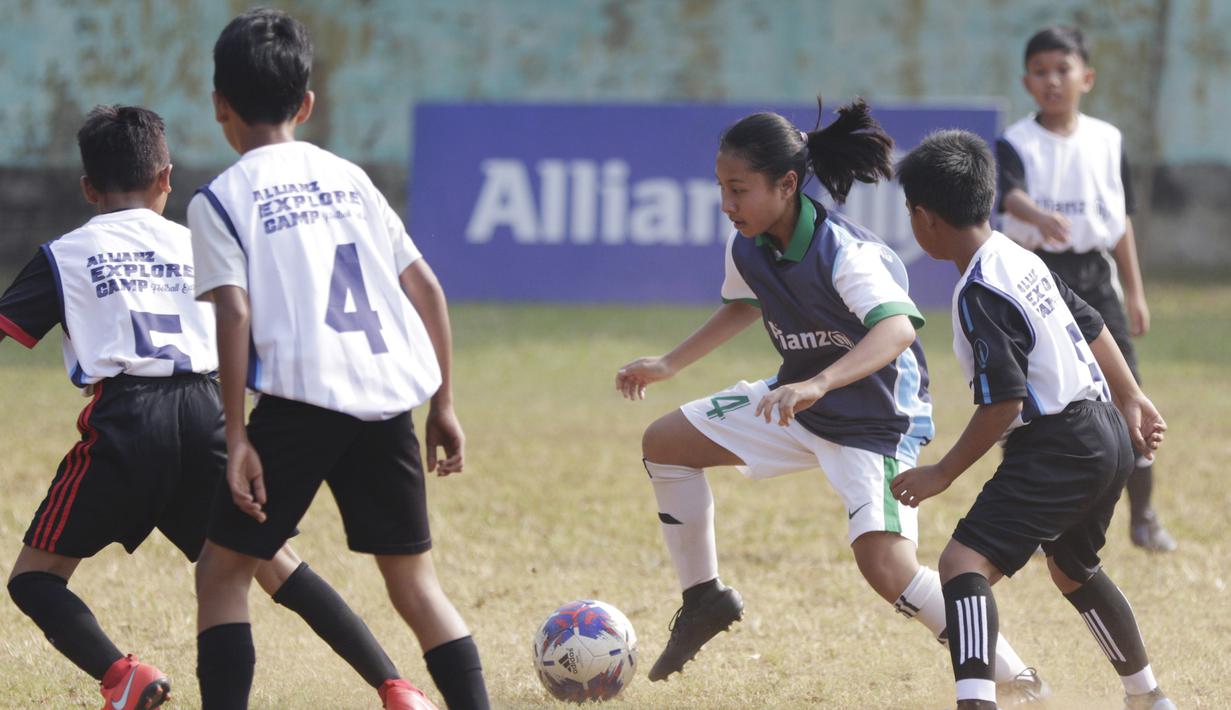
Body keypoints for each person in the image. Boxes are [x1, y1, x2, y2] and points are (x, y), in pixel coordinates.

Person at [0, 105, 436, 710]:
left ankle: (122, 674)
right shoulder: (197, 241)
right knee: (278, 567)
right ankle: (395, 685)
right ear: (166, 179)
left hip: (125, 423)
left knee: (34, 579)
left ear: (87, 188)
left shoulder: (65, 254)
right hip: (208, 416)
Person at [615, 98, 1047, 703]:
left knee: (888, 571)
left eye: (738, 188)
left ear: (786, 184)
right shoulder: (749, 244)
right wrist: (668, 364)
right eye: (721, 187)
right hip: (797, 402)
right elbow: (744, 304)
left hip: (875, 422)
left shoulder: (845, 250)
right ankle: (703, 598)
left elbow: (897, 329)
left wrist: (818, 382)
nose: (725, 203)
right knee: (664, 444)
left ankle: (1017, 677)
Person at [188, 9, 489, 710]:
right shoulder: (350, 178)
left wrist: (236, 436)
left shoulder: (221, 200)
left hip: (301, 402)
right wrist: (442, 403)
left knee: (222, 574)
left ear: (218, 105)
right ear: (307, 104)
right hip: (389, 398)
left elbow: (233, 314)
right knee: (416, 587)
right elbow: (427, 288)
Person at [892, 129, 1174, 710]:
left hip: (1059, 443)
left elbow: (1005, 403)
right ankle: (1148, 697)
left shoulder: (980, 290)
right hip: (1105, 433)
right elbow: (1091, 320)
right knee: (1073, 568)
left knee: (961, 564)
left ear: (923, 218)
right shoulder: (1019, 257)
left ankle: (976, 701)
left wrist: (942, 472)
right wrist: (1130, 396)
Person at [995, 25, 1174, 552]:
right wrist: (1037, 214)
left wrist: (1135, 292)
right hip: (1036, 273)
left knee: (1127, 391)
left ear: (1086, 77)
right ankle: (1019, 515)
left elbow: (1119, 221)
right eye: (1041, 72)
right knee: (1030, 396)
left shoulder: (1107, 140)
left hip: (1096, 279)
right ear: (1027, 82)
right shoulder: (1016, 141)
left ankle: (1143, 517)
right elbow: (1008, 196)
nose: (1053, 81)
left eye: (1063, 70)